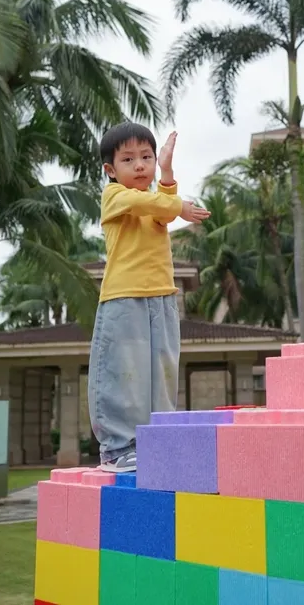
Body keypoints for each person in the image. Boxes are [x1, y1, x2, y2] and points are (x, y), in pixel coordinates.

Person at [88, 121, 210, 472]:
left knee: (162, 373)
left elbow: (161, 209)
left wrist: (168, 172)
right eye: (129, 159)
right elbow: (149, 204)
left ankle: (155, 445)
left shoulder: (155, 204)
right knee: (123, 372)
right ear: (110, 170)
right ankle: (116, 449)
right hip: (124, 298)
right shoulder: (114, 197)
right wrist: (178, 205)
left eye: (146, 157)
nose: (140, 165)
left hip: (162, 298)